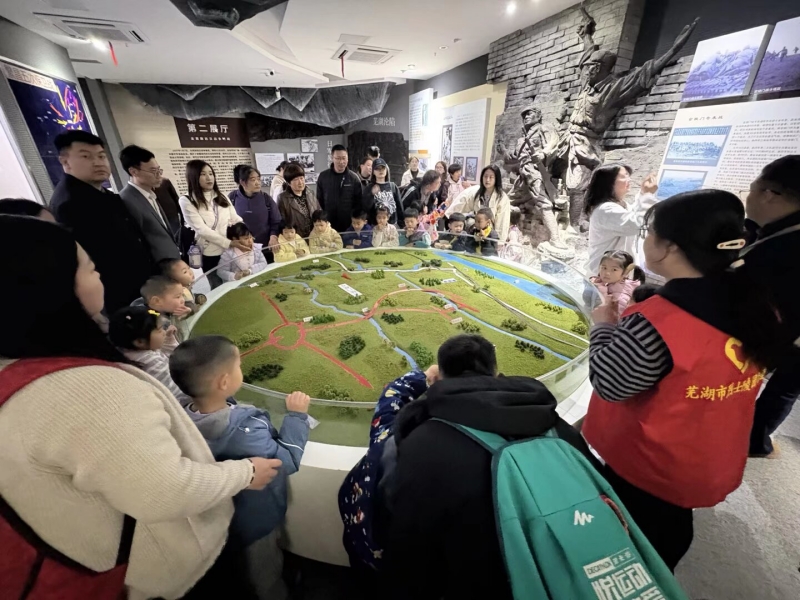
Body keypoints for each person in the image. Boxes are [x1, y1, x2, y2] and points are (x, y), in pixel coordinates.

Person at [0, 215, 282, 600]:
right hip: (171, 574)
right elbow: (166, 490)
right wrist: (244, 473)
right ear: (52, 286)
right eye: (89, 267)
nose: (100, 275)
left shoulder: (23, 368)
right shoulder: (87, 391)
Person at [582, 190, 791, 571]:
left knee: (633, 543)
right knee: (669, 528)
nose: (645, 241)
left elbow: (610, 383)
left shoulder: (660, 321)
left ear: (669, 247)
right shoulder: (757, 304)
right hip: (703, 456)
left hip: (648, 465)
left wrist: (603, 327)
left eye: (649, 233)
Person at [382, 334, 593, 599]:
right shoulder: (559, 430)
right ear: (496, 372)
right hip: (569, 573)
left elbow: (409, 547)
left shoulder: (422, 445)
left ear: (439, 378)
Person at [171, 336, 311, 599]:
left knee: (238, 566)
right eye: (238, 366)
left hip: (216, 520)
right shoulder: (247, 432)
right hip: (254, 522)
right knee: (264, 573)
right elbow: (286, 462)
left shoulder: (179, 418)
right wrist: (297, 416)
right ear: (224, 382)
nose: (241, 370)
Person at [340, 365, 439, 571]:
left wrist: (425, 377)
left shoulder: (390, 441)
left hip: (367, 554)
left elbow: (390, 402)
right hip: (421, 571)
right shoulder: (464, 469)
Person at [49, 130, 152, 313]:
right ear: (65, 161)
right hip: (118, 294)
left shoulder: (103, 193)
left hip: (138, 284)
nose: (98, 162)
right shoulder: (70, 203)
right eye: (86, 156)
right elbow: (96, 258)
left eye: (101, 156)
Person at [740, 155, 800, 458]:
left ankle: (754, 440)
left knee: (785, 386)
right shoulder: (774, 232)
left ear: (769, 194)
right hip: (783, 335)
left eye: (751, 188)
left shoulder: (784, 248)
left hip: (788, 338)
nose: (747, 196)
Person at [179, 160, 245, 290]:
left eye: (211, 173)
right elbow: (202, 229)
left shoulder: (222, 196)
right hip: (210, 252)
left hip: (230, 250)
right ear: (193, 177)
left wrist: (245, 234)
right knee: (218, 287)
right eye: (203, 174)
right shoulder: (187, 200)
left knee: (235, 282)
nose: (209, 178)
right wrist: (229, 243)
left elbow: (235, 218)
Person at [109, 305, 191, 407]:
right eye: (160, 330)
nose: (164, 332)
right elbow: (179, 392)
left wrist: (168, 340)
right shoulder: (151, 362)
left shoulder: (128, 352)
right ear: (139, 342)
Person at [585, 165, 658, 275]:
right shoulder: (605, 210)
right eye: (624, 176)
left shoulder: (620, 205)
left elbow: (634, 213)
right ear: (609, 182)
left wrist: (643, 194)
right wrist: (647, 196)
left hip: (615, 274)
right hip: (605, 277)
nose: (629, 180)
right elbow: (635, 224)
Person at [119, 145, 181, 264]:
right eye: (153, 171)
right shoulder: (127, 200)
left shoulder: (150, 194)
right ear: (133, 171)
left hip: (171, 262)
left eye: (159, 170)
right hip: (157, 267)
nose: (159, 175)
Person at [446, 166, 512, 243]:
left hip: (491, 235)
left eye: (491, 177)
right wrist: (449, 215)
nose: (487, 180)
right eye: (485, 176)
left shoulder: (502, 197)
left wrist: (499, 242)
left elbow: (502, 223)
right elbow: (463, 203)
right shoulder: (477, 192)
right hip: (476, 231)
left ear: (496, 178)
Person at [230, 165, 281, 259]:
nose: (257, 183)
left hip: (266, 247)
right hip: (243, 251)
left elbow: (276, 221)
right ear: (242, 182)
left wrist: (273, 237)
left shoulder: (266, 198)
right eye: (253, 180)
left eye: (258, 179)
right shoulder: (232, 198)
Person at [316, 145, 363, 232]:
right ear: (332, 158)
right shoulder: (323, 176)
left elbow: (358, 202)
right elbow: (320, 199)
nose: (341, 161)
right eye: (338, 158)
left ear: (347, 159)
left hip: (349, 224)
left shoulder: (354, 178)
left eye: (344, 158)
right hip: (329, 223)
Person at [589, 250, 645, 316]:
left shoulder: (620, 298)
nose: (607, 273)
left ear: (625, 273)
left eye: (614, 269)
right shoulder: (609, 282)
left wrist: (601, 290)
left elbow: (612, 318)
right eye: (604, 268)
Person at [276, 163, 321, 239]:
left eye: (301, 178)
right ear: (289, 183)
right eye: (295, 179)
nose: (300, 182)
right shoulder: (283, 198)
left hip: (314, 236)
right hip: (296, 238)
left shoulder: (310, 192)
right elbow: (282, 222)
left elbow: (318, 212)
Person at [366, 158, 403, 225]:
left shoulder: (393, 186)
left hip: (392, 225)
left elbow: (399, 207)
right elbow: (365, 208)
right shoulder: (369, 187)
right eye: (377, 168)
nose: (381, 170)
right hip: (375, 226)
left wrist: (401, 224)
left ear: (386, 170)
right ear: (373, 171)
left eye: (383, 168)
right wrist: (372, 195)